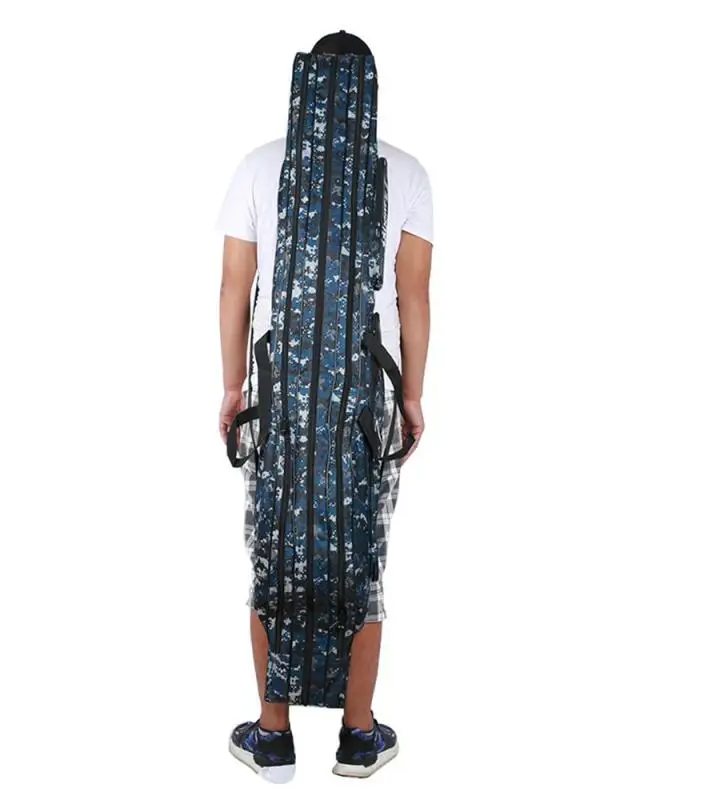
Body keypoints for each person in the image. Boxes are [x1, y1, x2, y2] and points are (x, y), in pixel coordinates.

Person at [217, 30, 433, 780]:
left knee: (272, 549)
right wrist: (412, 396)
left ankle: (272, 735)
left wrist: (233, 388)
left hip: (275, 388)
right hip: (369, 391)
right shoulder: (406, 173)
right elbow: (413, 296)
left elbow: (235, 286)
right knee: (361, 555)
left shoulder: (258, 165)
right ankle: (358, 734)